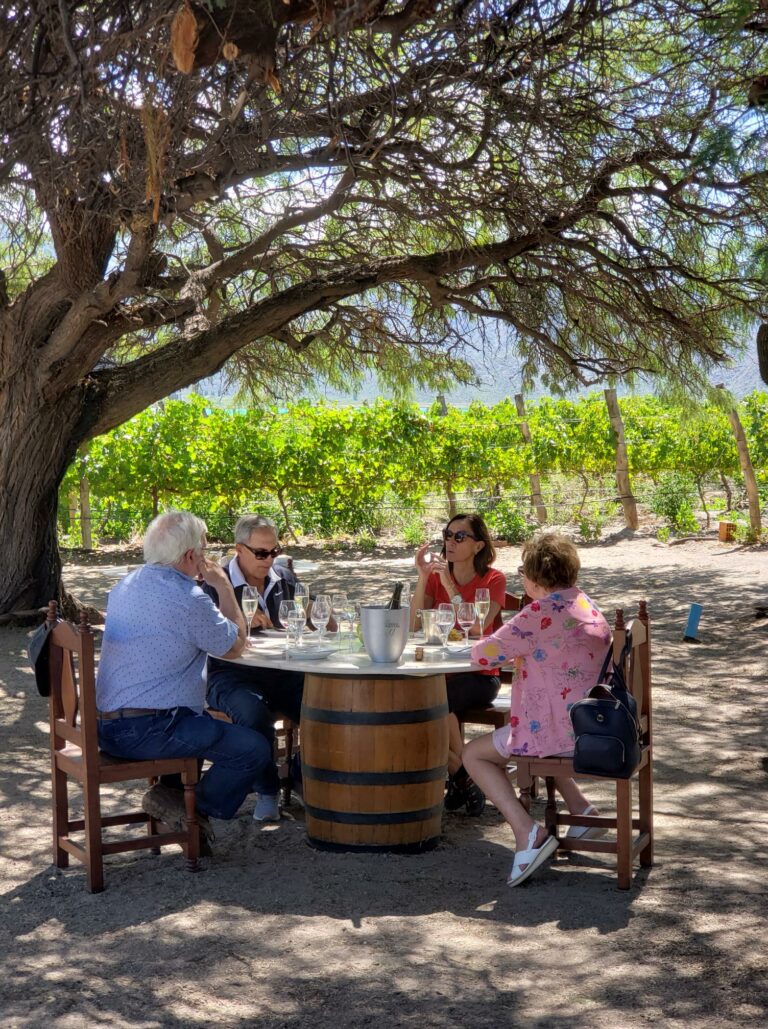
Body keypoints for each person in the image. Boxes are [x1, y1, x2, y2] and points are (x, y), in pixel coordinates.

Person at [96, 511, 275, 842]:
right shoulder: (187, 598)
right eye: (204, 550)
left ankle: (175, 796)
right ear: (191, 555)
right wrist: (222, 585)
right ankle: (192, 808)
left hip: (106, 727)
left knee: (200, 717)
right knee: (254, 748)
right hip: (152, 729)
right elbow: (234, 646)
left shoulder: (125, 585)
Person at [463, 532, 612, 887]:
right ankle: (580, 808)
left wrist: (469, 637)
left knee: (474, 755)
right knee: (535, 732)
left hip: (563, 733)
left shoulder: (539, 614)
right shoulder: (584, 603)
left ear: (533, 577)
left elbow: (483, 654)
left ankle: (527, 831)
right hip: (596, 724)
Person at [201, 514, 304, 821]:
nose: (269, 559)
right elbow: (210, 639)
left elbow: (304, 624)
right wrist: (241, 624)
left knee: (325, 705)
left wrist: (313, 621)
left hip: (281, 670)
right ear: (239, 550)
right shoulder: (215, 583)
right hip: (229, 672)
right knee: (254, 715)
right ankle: (268, 790)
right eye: (261, 553)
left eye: (274, 551)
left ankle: (299, 773)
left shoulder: (285, 578)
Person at [410, 513, 507, 816]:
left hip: (478, 674)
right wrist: (423, 577)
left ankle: (460, 775)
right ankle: (464, 774)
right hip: (440, 670)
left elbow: (478, 628)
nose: (449, 542)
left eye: (459, 536)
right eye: (447, 535)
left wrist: (449, 586)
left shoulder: (493, 579)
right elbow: (414, 623)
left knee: (436, 701)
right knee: (423, 700)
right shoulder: (436, 576)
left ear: (478, 546)